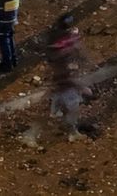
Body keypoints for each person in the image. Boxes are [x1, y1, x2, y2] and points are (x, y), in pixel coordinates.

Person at [47, 13, 93, 141]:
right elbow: (65, 73)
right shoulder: (63, 51)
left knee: (60, 98)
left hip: (62, 80)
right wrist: (79, 85)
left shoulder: (55, 40)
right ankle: (72, 132)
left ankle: (55, 112)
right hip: (65, 82)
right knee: (72, 107)